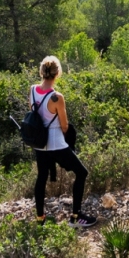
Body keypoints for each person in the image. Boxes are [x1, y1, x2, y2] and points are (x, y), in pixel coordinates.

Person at [30, 55, 97, 228]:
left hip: (39, 144)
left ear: (41, 71)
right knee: (81, 173)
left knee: (41, 178)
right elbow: (64, 125)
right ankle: (75, 217)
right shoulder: (56, 97)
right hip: (56, 144)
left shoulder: (32, 90)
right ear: (57, 73)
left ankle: (40, 219)